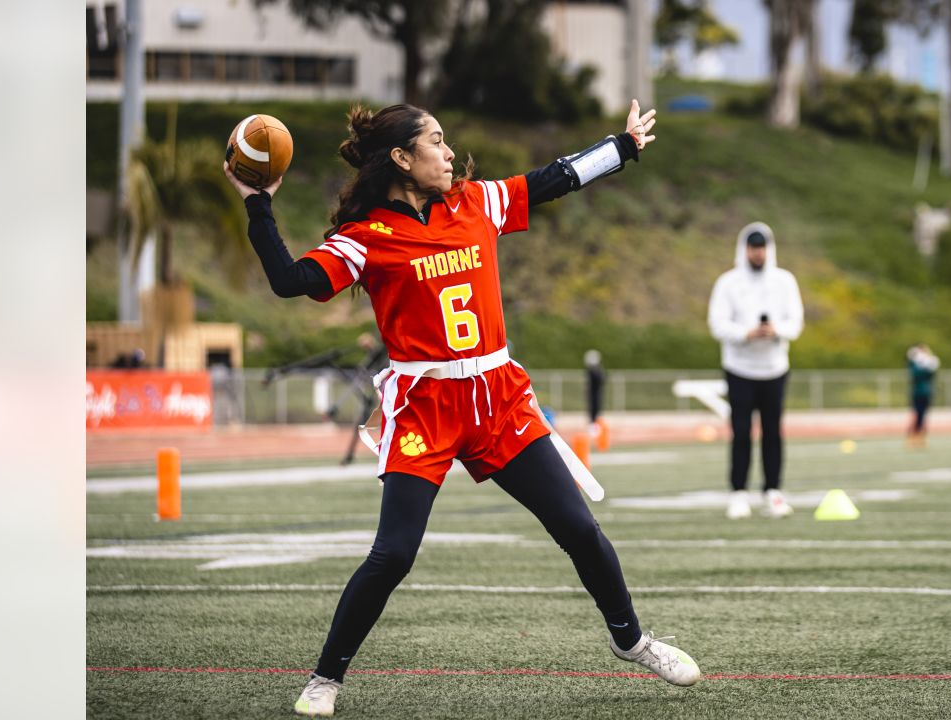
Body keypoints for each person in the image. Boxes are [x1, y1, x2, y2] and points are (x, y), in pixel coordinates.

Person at [226, 100, 701, 717]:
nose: (449, 153)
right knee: (393, 553)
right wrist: (257, 201)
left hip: (498, 400)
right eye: (436, 142)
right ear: (401, 158)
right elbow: (291, 282)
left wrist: (624, 146)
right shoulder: (367, 239)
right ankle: (325, 679)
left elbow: (552, 179)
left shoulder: (475, 203)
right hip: (426, 408)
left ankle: (633, 641)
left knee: (579, 529)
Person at [707, 222, 804, 519]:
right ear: (744, 248)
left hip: (774, 368)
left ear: (769, 249)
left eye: (762, 247)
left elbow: (795, 323)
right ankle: (738, 492)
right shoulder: (728, 282)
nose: (757, 253)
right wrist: (746, 334)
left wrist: (775, 331)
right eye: (753, 247)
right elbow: (717, 323)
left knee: (774, 431)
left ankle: (773, 491)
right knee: (741, 431)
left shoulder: (785, 281)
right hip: (739, 368)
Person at [906, 344, 939, 447]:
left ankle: (921, 437)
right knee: (917, 415)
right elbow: (915, 374)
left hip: (926, 393)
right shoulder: (915, 364)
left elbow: (931, 375)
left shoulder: (928, 363)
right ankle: (912, 436)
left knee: (923, 416)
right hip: (917, 393)